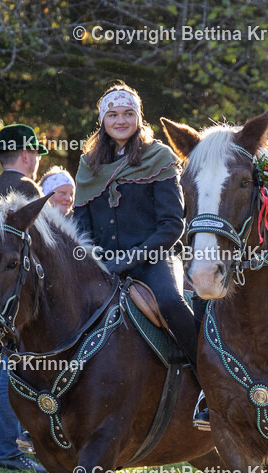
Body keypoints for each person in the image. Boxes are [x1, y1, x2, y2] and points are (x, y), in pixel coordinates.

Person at [72, 84, 196, 378]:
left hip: (154, 259)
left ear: (139, 117)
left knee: (171, 302)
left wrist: (131, 259)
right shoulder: (88, 165)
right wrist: (95, 260)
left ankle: (205, 379)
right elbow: (80, 227)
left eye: (129, 113)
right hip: (102, 261)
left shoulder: (160, 156)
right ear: (102, 120)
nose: (121, 121)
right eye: (113, 114)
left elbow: (172, 224)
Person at [0, 123, 49, 473]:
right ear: (26, 154)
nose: (35, 160)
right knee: (14, 367)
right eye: (35, 154)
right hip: (15, 295)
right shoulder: (26, 188)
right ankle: (10, 450)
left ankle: (14, 442)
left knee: (11, 364)